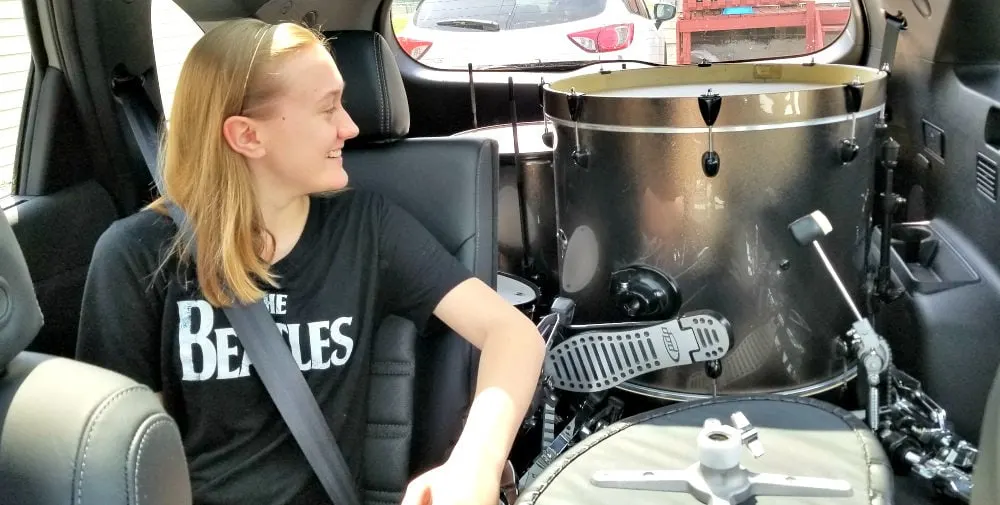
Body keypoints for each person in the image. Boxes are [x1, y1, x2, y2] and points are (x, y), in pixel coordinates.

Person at [75, 18, 545, 505]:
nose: (351, 126)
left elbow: (511, 333)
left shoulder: (366, 227)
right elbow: (121, 454)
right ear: (247, 136)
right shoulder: (135, 256)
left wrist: (474, 464)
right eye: (328, 109)